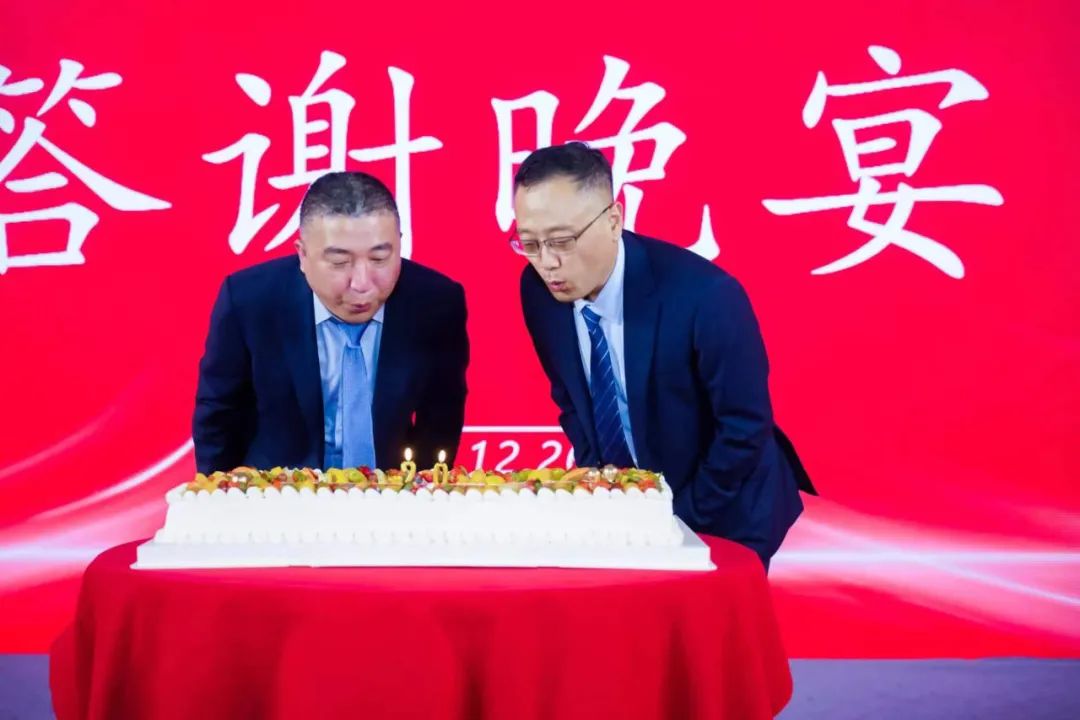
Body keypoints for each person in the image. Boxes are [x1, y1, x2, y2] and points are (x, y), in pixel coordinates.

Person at [514, 143, 814, 566]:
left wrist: (677, 519)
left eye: (562, 241)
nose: (547, 263)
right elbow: (571, 399)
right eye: (529, 243)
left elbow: (743, 428)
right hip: (631, 516)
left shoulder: (705, 297)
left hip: (728, 510)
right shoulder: (538, 293)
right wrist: (606, 491)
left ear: (614, 220)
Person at [193, 171, 468, 473]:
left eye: (379, 258)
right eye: (340, 262)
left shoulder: (437, 303)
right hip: (275, 491)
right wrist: (220, 493)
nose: (362, 284)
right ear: (303, 255)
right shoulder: (249, 300)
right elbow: (218, 413)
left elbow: (441, 415)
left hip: (391, 491)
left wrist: (417, 490)